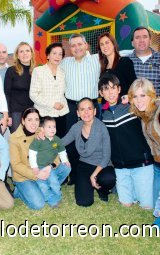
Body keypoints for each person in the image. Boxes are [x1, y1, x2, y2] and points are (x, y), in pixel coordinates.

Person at [98, 73, 154, 209]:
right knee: (126, 204)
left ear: (119, 89)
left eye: (113, 88)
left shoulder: (131, 106)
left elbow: (150, 103)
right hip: (120, 166)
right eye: (106, 89)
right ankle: (125, 189)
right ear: (101, 93)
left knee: (147, 205)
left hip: (141, 163)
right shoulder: (101, 114)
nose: (110, 92)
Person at [9, 108, 70, 210]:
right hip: (25, 176)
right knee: (39, 204)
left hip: (44, 168)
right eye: (29, 120)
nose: (34, 123)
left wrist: (50, 166)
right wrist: (37, 174)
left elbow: (56, 151)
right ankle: (19, 191)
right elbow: (16, 165)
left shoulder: (43, 131)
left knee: (65, 167)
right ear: (23, 121)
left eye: (36, 119)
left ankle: (44, 187)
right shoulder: (14, 138)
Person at [60, 33, 100, 184]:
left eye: (79, 44)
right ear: (70, 48)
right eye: (73, 45)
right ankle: (74, 175)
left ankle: (93, 173)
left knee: (92, 139)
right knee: (71, 141)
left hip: (91, 106)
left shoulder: (96, 60)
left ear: (86, 45)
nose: (76, 48)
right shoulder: (65, 63)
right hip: (70, 107)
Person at [61, 98, 116, 207]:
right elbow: (61, 142)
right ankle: (90, 185)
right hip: (84, 164)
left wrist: (93, 175)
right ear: (78, 113)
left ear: (95, 111)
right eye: (82, 109)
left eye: (89, 109)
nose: (86, 112)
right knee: (84, 202)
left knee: (108, 178)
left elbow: (106, 157)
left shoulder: (102, 128)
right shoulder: (76, 127)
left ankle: (102, 190)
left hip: (102, 165)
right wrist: (46, 138)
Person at [28, 116, 71, 207]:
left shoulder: (57, 139)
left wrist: (65, 160)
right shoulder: (39, 139)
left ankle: (57, 196)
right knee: (43, 185)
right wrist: (34, 167)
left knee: (54, 181)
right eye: (49, 127)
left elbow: (62, 151)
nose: (52, 129)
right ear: (42, 129)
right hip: (39, 167)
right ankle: (51, 199)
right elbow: (32, 153)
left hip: (49, 166)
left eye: (54, 126)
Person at [30, 43, 69, 138]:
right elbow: (33, 95)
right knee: (45, 145)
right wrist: (52, 104)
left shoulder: (63, 71)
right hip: (45, 114)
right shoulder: (38, 71)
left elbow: (63, 92)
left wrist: (62, 103)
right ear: (48, 55)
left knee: (60, 143)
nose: (57, 56)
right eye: (54, 53)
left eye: (60, 54)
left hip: (62, 114)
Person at [4, 42, 35, 132]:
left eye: (27, 51)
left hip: (32, 111)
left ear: (31, 54)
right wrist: (8, 115)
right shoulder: (11, 71)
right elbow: (6, 94)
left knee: (31, 140)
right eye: (21, 51)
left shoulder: (37, 71)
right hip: (16, 113)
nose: (25, 53)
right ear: (17, 55)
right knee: (17, 141)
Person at [98, 32, 137, 98]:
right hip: (108, 106)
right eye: (101, 44)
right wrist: (105, 107)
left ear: (113, 44)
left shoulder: (125, 62)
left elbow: (134, 85)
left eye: (107, 42)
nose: (104, 46)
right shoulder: (103, 68)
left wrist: (128, 98)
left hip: (124, 105)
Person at [128, 26, 160, 96]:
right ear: (132, 43)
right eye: (137, 37)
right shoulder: (126, 61)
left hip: (157, 105)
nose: (141, 40)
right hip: (134, 106)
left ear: (150, 41)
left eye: (145, 37)